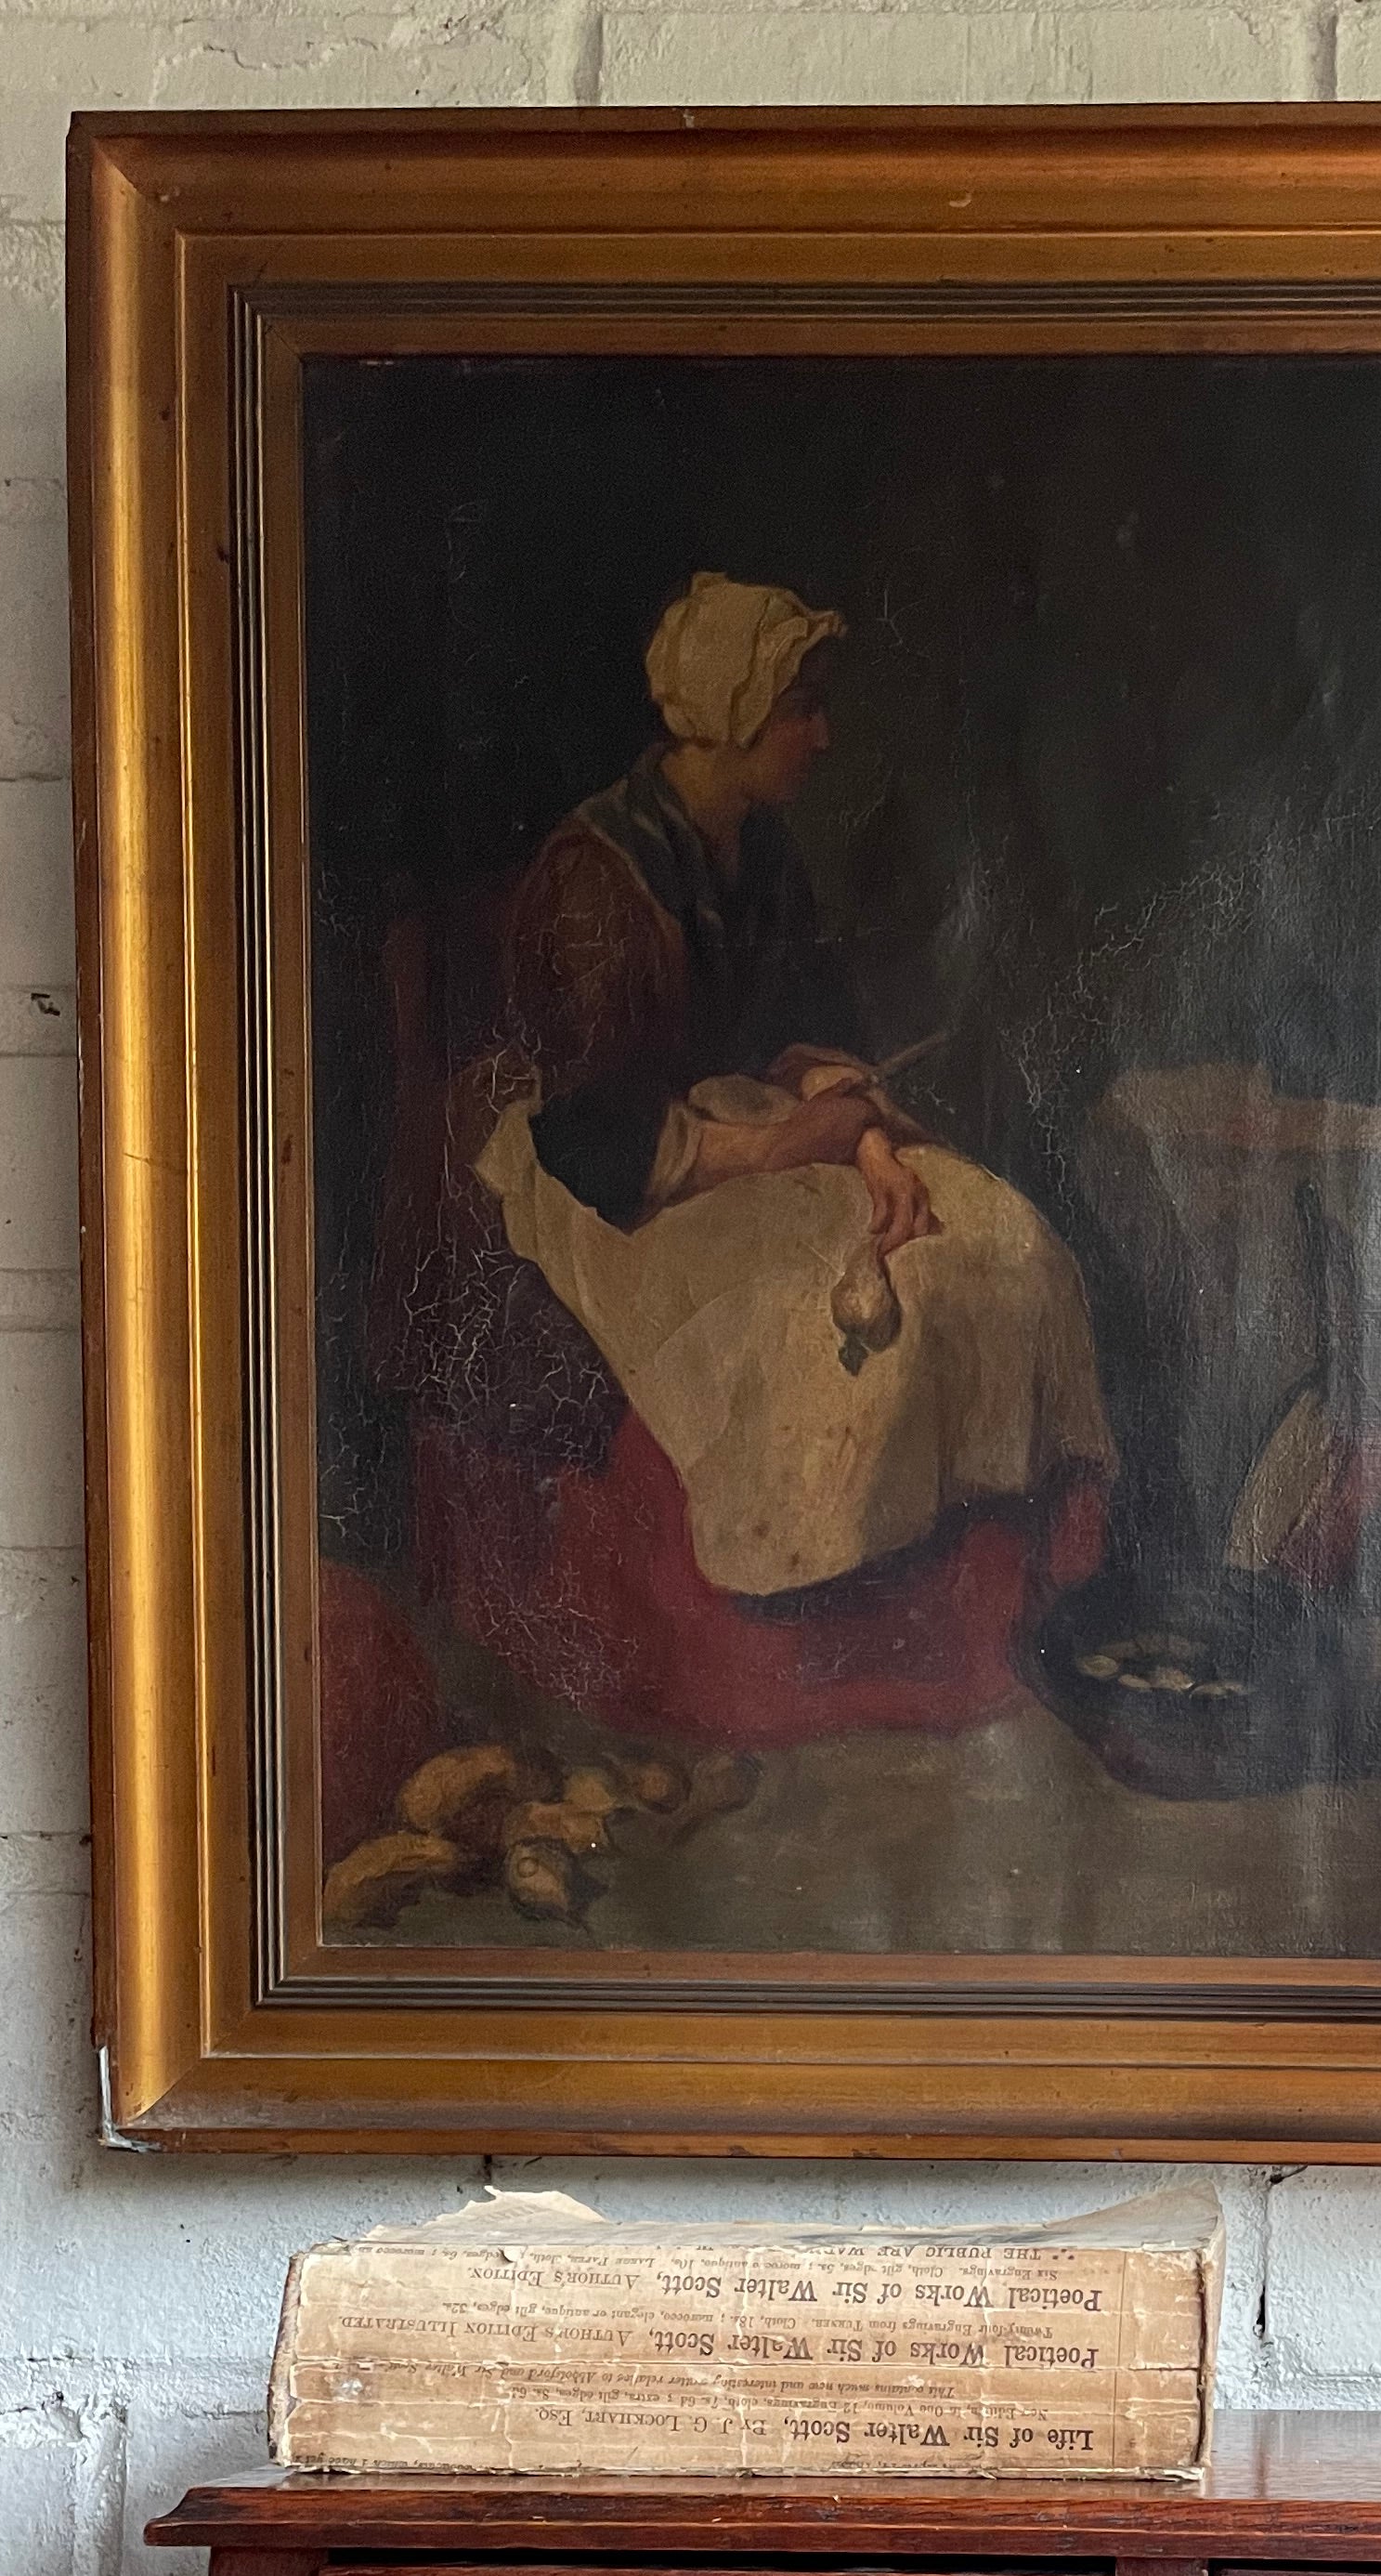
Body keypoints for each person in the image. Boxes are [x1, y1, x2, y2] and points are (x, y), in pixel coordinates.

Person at [367, 575, 1111, 1760]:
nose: (822, 736)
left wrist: (866, 1142)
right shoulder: (594, 883)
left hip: (764, 1124)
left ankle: (1001, 1609)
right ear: (730, 713)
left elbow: (812, 1020)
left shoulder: (755, 844)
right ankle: (815, 1638)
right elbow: (594, 1141)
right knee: (845, 1323)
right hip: (624, 1168)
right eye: (799, 710)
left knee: (1002, 1243)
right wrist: (781, 1148)